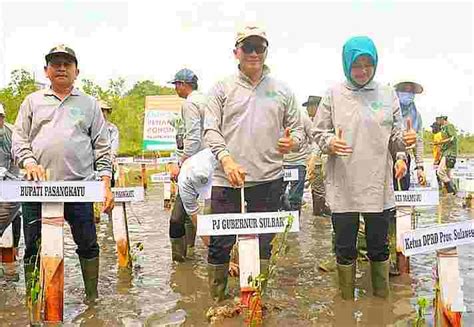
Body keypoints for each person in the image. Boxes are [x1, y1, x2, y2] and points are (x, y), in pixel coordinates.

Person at [204, 25, 303, 302]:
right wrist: (226, 159)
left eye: (259, 47)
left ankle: (256, 303)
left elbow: (298, 130)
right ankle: (218, 303)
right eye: (247, 47)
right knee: (220, 246)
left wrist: (291, 142)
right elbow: (210, 129)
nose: (253, 53)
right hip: (227, 180)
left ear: (266, 51)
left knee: (263, 245)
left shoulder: (282, 90)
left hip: (269, 180)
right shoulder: (221, 89)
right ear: (236, 51)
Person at [313, 36, 416, 300]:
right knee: (345, 247)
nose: (362, 71)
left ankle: (381, 301)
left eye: (368, 64)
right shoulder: (333, 94)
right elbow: (318, 132)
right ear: (346, 64)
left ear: (375, 64)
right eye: (356, 65)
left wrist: (403, 153)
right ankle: (346, 301)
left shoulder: (386, 93)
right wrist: (329, 142)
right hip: (344, 182)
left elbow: (395, 135)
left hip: (377, 183)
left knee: (379, 246)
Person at [12, 44, 113, 302]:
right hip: (36, 188)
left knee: (88, 244)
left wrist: (105, 183)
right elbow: (19, 139)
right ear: (46, 71)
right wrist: (28, 162)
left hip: (79, 188)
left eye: (66, 64)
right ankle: (35, 302)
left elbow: (102, 147)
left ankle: (92, 299)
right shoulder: (32, 101)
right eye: (55, 63)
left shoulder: (89, 104)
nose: (60, 68)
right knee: (33, 247)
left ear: (76, 71)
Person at [168, 68, 207, 261]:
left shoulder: (190, 103)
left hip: (195, 165)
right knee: (195, 208)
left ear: (183, 84)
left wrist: (180, 163)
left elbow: (192, 138)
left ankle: (180, 265)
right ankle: (192, 251)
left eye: (176, 85)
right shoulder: (206, 100)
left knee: (176, 218)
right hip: (211, 164)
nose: (175, 89)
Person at [281, 100, 314, 214]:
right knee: (276, 196)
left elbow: (313, 138)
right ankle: (282, 224)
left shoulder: (303, 118)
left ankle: (293, 226)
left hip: (298, 163)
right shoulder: (275, 116)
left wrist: (310, 158)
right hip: (278, 165)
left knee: (295, 197)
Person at [0, 104, 21, 265]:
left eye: (0, 117)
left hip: (9, 179)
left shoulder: (12, 133)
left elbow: (18, 159)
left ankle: (13, 252)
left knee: (16, 211)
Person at [303, 96, 331, 216]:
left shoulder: (321, 121)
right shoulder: (311, 120)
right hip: (314, 159)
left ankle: (320, 211)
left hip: (320, 159)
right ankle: (319, 211)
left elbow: (316, 142)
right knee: (317, 186)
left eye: (310, 106)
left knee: (319, 185)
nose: (308, 109)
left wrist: (313, 158)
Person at [435, 115, 458, 194]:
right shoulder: (443, 128)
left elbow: (452, 138)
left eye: (438, 120)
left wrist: (439, 143)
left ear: (443, 119)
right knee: (447, 175)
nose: (437, 122)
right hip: (445, 152)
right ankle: (452, 194)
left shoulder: (449, 126)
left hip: (449, 153)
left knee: (440, 172)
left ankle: (451, 190)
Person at [99, 100, 119, 186]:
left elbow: (114, 144)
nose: (102, 113)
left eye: (104, 110)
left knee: (109, 188)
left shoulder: (112, 128)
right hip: (91, 165)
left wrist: (112, 159)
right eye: (100, 110)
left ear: (107, 112)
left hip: (107, 162)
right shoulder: (88, 127)